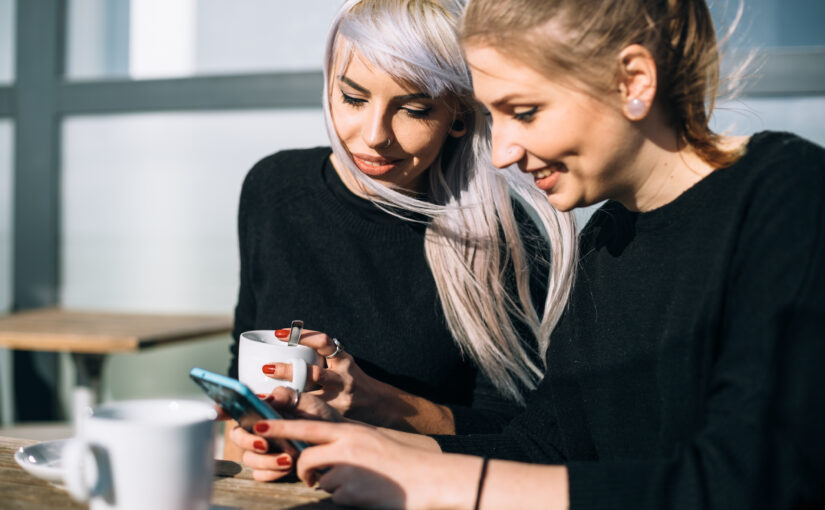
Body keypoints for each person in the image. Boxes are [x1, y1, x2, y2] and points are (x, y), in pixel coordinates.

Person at [230, 0, 825, 508]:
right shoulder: (608, 238)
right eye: (493, 117)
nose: (501, 154)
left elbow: (748, 481)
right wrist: (358, 444)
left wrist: (430, 475)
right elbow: (541, 450)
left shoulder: (784, 192)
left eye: (525, 111)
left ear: (635, 81)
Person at [224, 0, 577, 464]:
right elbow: (239, 371)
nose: (374, 135)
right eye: (352, 97)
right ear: (329, 83)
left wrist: (380, 403)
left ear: (458, 114)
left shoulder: (506, 231)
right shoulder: (273, 187)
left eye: (412, 109)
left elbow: (525, 436)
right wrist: (256, 438)